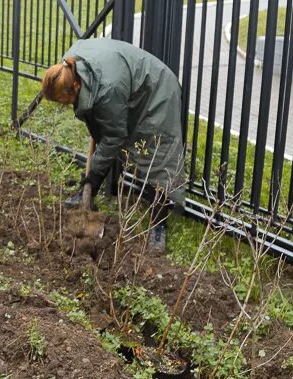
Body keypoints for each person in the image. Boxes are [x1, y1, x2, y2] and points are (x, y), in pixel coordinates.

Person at [41, 38, 186, 252]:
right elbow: (100, 121)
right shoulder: (68, 66)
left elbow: (114, 136)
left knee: (157, 158)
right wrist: (92, 179)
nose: (64, 106)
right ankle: (86, 198)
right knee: (110, 142)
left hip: (157, 91)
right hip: (127, 83)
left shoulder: (108, 89)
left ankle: (158, 226)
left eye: (64, 101)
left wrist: (92, 176)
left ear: (76, 86)